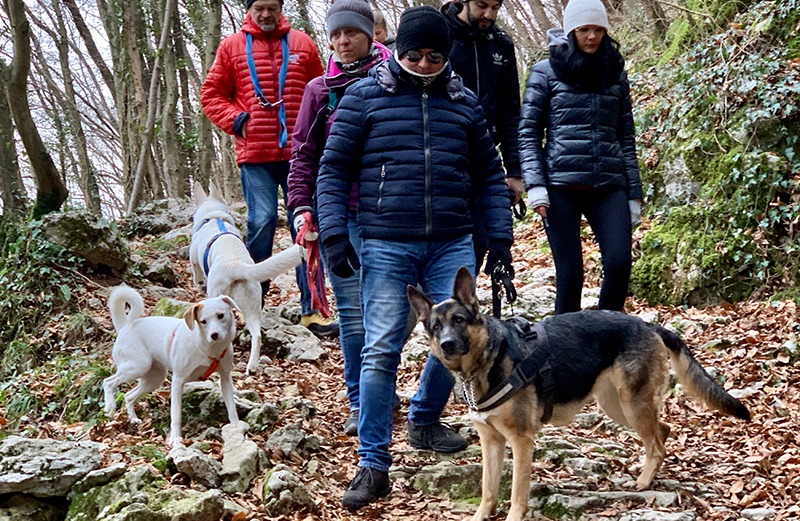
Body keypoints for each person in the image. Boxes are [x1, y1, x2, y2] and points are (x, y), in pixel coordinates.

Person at [315, 6, 514, 510]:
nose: (424, 64)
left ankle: (425, 418)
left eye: (434, 55)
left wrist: (501, 237)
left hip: (452, 238)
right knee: (381, 348)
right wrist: (335, 232)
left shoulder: (463, 102)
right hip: (385, 240)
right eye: (414, 55)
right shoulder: (363, 98)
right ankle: (373, 464)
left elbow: (490, 175)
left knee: (459, 341)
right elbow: (333, 168)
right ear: (398, 52)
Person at [200, 0, 337, 337]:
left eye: (271, 7)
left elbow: (320, 93)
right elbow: (210, 94)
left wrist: (322, 135)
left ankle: (313, 311)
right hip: (255, 153)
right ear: (250, 10)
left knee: (305, 229)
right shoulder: (231, 47)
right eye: (259, 7)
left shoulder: (303, 43)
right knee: (260, 222)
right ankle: (250, 304)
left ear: (280, 8)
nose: (265, 14)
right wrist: (237, 120)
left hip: (300, 154)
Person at [287, 0, 392, 436]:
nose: (343, 41)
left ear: (371, 34)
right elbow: (303, 155)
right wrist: (300, 207)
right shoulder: (319, 91)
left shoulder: (395, 80)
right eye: (335, 34)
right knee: (351, 313)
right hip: (338, 216)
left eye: (351, 32)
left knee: (388, 315)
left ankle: (378, 387)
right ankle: (359, 400)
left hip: (389, 216)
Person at [518, 0, 643, 314]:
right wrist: (535, 185)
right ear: (571, 30)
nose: (592, 36)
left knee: (619, 263)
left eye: (599, 29)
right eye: (585, 29)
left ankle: (607, 334)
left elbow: (625, 136)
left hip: (608, 183)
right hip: (560, 187)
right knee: (570, 274)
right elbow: (529, 133)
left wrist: (634, 194)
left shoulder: (615, 72)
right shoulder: (546, 72)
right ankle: (564, 351)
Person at [441, 0, 523, 274]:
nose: (488, 14)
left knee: (478, 241)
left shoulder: (502, 44)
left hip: (484, 158)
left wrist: (514, 170)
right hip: (443, 155)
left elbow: (512, 111)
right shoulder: (442, 36)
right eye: (481, 5)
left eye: (496, 7)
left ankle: (460, 309)